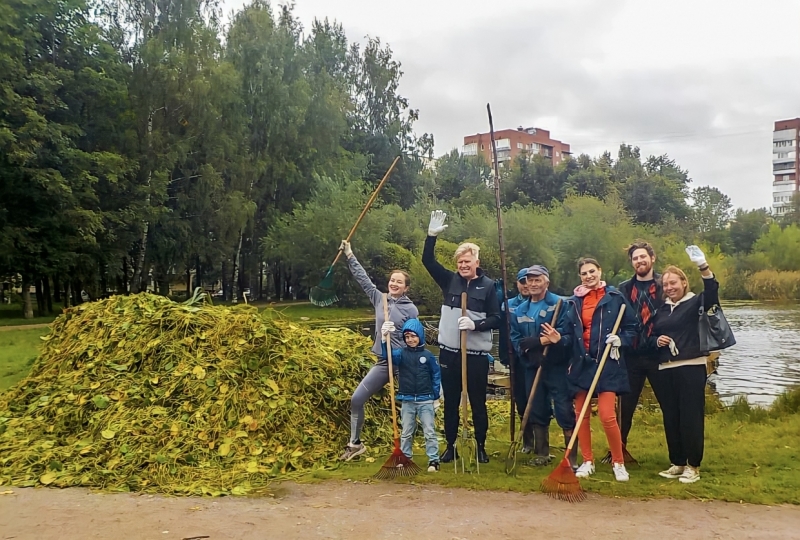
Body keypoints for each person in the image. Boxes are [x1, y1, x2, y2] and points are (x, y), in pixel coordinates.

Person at [422, 210, 501, 464]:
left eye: (467, 262)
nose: (463, 266)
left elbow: (497, 318)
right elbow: (428, 261)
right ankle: (451, 445)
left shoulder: (488, 287)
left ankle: (480, 446)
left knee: (478, 401)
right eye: (460, 263)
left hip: (476, 355)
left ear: (476, 261)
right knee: (451, 401)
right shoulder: (449, 281)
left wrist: (476, 325)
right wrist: (431, 236)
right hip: (450, 353)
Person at [338, 240, 419, 461]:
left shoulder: (410, 309)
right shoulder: (379, 299)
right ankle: (355, 444)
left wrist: (402, 337)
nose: (394, 284)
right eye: (392, 280)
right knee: (357, 398)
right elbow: (363, 279)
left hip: (404, 361)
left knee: (410, 404)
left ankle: (406, 448)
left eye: (399, 282)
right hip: (384, 362)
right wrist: (350, 254)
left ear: (406, 287)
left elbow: (416, 339)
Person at [648, 246, 719, 484]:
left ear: (684, 282)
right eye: (665, 284)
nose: (669, 287)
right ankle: (677, 462)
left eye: (673, 283)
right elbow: (650, 335)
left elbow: (712, 293)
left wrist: (703, 266)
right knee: (671, 416)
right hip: (666, 368)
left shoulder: (696, 302)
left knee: (691, 416)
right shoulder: (661, 310)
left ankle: (693, 465)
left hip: (691, 365)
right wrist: (656, 340)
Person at [565, 257, 638, 482]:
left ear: (600, 271)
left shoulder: (615, 298)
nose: (589, 276)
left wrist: (621, 339)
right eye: (584, 273)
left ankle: (618, 462)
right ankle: (588, 461)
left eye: (592, 271)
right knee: (581, 415)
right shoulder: (574, 301)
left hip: (607, 361)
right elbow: (570, 332)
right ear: (580, 277)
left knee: (607, 415)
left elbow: (632, 327)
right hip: (582, 362)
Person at [510, 265, 576, 467]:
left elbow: (566, 334)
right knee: (536, 407)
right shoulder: (519, 310)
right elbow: (516, 338)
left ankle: (571, 457)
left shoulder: (560, 304)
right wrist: (530, 352)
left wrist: (539, 343)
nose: (532, 284)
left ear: (547, 282)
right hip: (532, 366)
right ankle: (542, 453)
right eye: (529, 280)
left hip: (556, 365)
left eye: (537, 279)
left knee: (564, 409)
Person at [604, 241, 664, 462]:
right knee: (624, 408)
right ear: (632, 263)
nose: (639, 261)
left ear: (652, 258)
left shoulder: (664, 285)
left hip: (659, 354)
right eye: (635, 258)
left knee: (668, 405)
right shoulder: (623, 289)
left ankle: (678, 457)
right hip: (631, 355)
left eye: (643, 257)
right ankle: (618, 453)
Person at [382, 319, 442, 472]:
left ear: (420, 336)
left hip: (426, 399)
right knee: (407, 432)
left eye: (413, 336)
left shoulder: (428, 356)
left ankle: (433, 460)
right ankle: (406, 457)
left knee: (429, 431)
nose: (410, 340)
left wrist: (436, 396)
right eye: (407, 337)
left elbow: (436, 375)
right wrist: (384, 339)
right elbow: (387, 356)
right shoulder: (401, 354)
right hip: (407, 399)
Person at [497, 268, 534, 453]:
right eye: (522, 281)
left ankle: (541, 442)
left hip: (535, 358)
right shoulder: (507, 305)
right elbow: (503, 333)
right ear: (517, 284)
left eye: (530, 281)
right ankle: (527, 441)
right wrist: (504, 355)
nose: (526, 285)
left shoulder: (540, 303)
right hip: (515, 359)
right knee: (520, 398)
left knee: (537, 398)